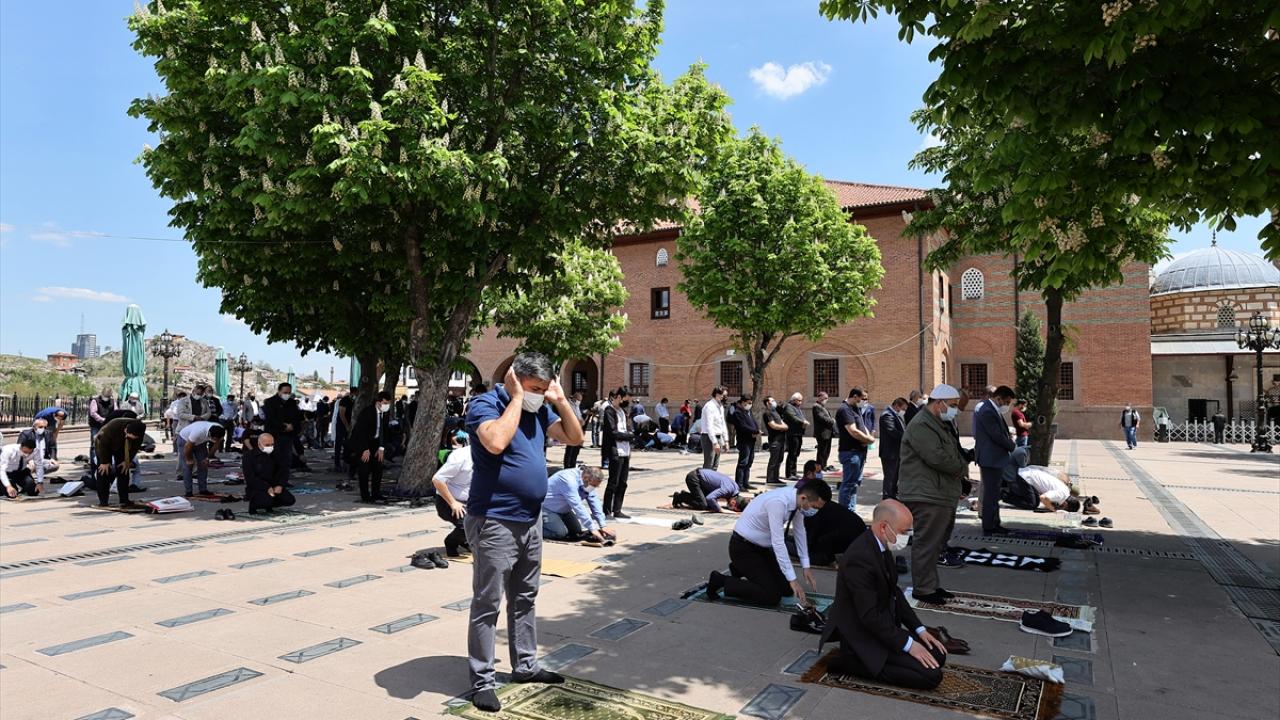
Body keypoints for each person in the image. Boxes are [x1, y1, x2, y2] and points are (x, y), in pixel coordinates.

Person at [463, 352, 583, 713]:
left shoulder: (539, 408)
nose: (538, 395)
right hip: (495, 519)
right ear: (515, 379)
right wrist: (516, 398)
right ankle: (482, 680)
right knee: (488, 602)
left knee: (526, 597)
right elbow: (496, 442)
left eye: (543, 389)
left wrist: (559, 401)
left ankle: (526, 667)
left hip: (530, 520)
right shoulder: (486, 403)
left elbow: (574, 438)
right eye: (534, 388)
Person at [819, 500, 949, 690]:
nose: (907, 537)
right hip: (862, 634)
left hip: (881, 625)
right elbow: (869, 617)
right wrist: (909, 644)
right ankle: (850, 663)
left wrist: (919, 630)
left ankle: (890, 655)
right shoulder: (860, 558)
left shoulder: (880, 545)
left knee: (938, 654)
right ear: (883, 527)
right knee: (931, 677)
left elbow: (894, 592)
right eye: (904, 531)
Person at [705, 481, 829, 607]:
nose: (815, 511)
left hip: (762, 548)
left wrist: (805, 565)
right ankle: (720, 580)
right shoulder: (778, 502)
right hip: (743, 548)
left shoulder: (798, 501)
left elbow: (800, 532)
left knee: (786, 590)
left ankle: (739, 569)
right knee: (771, 596)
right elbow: (778, 543)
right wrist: (793, 580)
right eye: (815, 507)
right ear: (804, 498)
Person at [898, 384, 968, 604]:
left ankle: (930, 585)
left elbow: (949, 452)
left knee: (936, 543)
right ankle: (923, 589)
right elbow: (937, 458)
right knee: (927, 542)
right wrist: (961, 466)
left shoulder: (938, 423)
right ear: (939, 403)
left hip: (939, 492)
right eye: (954, 405)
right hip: (926, 494)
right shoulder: (921, 425)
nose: (956, 410)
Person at [974, 385, 1016, 536]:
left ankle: (995, 523)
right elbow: (996, 435)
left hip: (994, 458)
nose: (1007, 405)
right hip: (990, 459)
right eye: (1006, 402)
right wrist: (1012, 445)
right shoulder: (987, 410)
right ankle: (989, 526)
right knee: (991, 494)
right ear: (998, 398)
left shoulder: (992, 409)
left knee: (994, 493)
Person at [542, 465, 615, 543]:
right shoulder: (568, 480)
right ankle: (532, 529)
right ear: (586, 478)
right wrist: (592, 528)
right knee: (560, 533)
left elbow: (594, 500)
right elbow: (577, 505)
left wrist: (603, 525)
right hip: (547, 508)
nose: (593, 488)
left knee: (576, 531)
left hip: (563, 510)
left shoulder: (588, 482)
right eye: (594, 485)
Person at [433, 431, 475, 557]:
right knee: (466, 526)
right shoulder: (461, 457)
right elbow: (437, 480)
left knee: (487, 522)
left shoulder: (493, 456)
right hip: (449, 500)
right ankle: (451, 542)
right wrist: (453, 503)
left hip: (472, 499)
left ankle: (466, 540)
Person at [348, 390, 394, 503]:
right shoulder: (367, 412)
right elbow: (360, 432)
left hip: (375, 443)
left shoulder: (384, 413)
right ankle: (365, 495)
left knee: (378, 468)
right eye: (384, 403)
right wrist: (364, 449)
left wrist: (381, 448)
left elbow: (384, 431)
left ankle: (376, 493)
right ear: (378, 402)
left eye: (388, 403)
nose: (386, 405)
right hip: (362, 443)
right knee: (364, 469)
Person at [93, 419, 148, 508]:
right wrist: (104, 462)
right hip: (103, 445)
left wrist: (127, 460)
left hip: (122, 447)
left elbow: (134, 448)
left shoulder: (140, 431)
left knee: (124, 470)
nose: (127, 435)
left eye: (131, 437)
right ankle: (103, 501)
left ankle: (124, 500)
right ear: (126, 429)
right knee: (104, 471)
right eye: (127, 433)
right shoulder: (113, 426)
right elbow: (102, 443)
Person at [836, 387, 875, 510]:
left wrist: (867, 437)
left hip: (859, 451)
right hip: (850, 452)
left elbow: (862, 425)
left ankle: (851, 510)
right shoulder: (845, 410)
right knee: (848, 484)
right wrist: (868, 440)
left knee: (854, 483)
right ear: (854, 396)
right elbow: (853, 431)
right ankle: (844, 511)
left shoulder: (855, 408)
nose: (864, 401)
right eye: (862, 398)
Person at [601, 388, 634, 518]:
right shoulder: (609, 411)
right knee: (613, 482)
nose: (628, 402)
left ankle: (617, 509)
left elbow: (628, 428)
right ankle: (607, 510)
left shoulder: (623, 411)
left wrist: (630, 434)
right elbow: (612, 432)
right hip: (615, 450)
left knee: (623, 482)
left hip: (625, 451)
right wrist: (629, 436)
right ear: (619, 397)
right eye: (626, 399)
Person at [243, 432, 295, 514]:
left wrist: (280, 485)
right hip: (257, 487)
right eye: (267, 445)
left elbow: (284, 470)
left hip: (274, 485)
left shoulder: (276, 453)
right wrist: (266, 487)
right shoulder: (249, 456)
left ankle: (270, 505)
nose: (270, 447)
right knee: (266, 500)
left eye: (272, 444)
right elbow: (250, 478)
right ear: (259, 444)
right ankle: (255, 505)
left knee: (289, 500)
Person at [262, 382, 302, 483]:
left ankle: (283, 481)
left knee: (286, 460)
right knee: (274, 458)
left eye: (289, 392)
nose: (287, 395)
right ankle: (273, 481)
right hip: (274, 435)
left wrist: (293, 426)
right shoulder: (270, 402)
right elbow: (271, 419)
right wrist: (284, 426)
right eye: (285, 392)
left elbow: (297, 417)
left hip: (288, 436)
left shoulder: (292, 403)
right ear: (279, 391)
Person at [178, 420, 226, 498]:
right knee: (188, 466)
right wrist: (188, 459)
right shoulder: (198, 431)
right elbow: (187, 447)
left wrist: (207, 458)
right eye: (214, 439)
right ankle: (188, 491)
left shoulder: (220, 431)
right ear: (210, 435)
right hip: (185, 440)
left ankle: (203, 489)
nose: (216, 440)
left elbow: (215, 446)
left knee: (203, 465)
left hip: (200, 442)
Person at [675, 467, 746, 513]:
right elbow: (710, 498)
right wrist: (720, 510)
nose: (730, 507)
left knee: (710, 505)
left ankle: (687, 495)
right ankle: (680, 497)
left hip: (701, 479)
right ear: (733, 502)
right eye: (733, 508)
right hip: (694, 478)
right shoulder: (728, 490)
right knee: (703, 505)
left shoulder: (735, 488)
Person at [728, 395, 760, 492]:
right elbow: (742, 426)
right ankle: (739, 484)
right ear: (742, 402)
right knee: (743, 462)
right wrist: (753, 431)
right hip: (744, 440)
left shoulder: (748, 412)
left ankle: (746, 482)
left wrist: (756, 430)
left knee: (749, 462)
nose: (749, 405)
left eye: (750, 403)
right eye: (748, 402)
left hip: (751, 440)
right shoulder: (738, 413)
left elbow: (754, 423)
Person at [878, 398, 909, 499]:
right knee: (890, 476)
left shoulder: (894, 414)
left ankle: (892, 495)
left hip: (896, 452)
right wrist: (907, 437)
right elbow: (892, 432)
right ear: (897, 406)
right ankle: (888, 497)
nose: (903, 412)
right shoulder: (887, 415)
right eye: (903, 409)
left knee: (894, 476)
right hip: (890, 452)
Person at [17, 418, 60, 487]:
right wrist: (29, 460)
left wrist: (53, 458)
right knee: (29, 468)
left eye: (45, 427)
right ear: (34, 427)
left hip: (42, 459)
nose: (43, 429)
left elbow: (53, 447)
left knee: (55, 465)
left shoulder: (48, 434)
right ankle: (27, 482)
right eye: (40, 427)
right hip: (29, 460)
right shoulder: (25, 434)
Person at [780, 392, 809, 480]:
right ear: (794, 400)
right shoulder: (789, 407)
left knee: (796, 453)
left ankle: (794, 472)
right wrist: (803, 422)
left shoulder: (797, 408)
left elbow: (801, 417)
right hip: (792, 433)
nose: (800, 402)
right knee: (792, 453)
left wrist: (804, 421)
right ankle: (789, 473)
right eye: (799, 401)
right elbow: (793, 417)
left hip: (798, 433)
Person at [701, 386, 729, 471]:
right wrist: (714, 442)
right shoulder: (709, 406)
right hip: (709, 437)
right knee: (709, 463)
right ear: (717, 394)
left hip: (718, 436)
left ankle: (712, 482)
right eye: (724, 395)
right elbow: (709, 426)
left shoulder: (720, 406)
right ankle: (705, 483)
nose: (725, 397)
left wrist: (726, 440)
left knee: (715, 464)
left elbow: (722, 423)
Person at [87, 385, 117, 466]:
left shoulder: (112, 401)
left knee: (109, 443)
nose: (106, 398)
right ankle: (94, 462)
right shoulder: (95, 401)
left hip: (108, 426)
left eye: (108, 396)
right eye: (105, 396)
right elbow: (93, 413)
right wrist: (102, 420)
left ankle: (107, 462)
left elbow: (116, 411)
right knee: (95, 443)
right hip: (96, 426)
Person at [761, 396, 788, 485]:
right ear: (768, 403)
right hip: (774, 440)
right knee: (774, 460)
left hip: (781, 439)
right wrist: (784, 427)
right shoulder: (767, 413)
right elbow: (773, 425)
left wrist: (785, 426)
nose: (774, 402)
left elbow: (780, 421)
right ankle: (770, 479)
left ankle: (776, 478)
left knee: (779, 459)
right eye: (772, 401)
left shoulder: (775, 412)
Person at [812, 392, 836, 472]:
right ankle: (820, 466)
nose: (826, 400)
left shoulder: (823, 407)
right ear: (819, 398)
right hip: (822, 433)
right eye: (824, 398)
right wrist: (832, 421)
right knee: (822, 451)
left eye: (827, 398)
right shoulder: (816, 407)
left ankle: (824, 465)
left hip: (827, 433)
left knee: (826, 450)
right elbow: (821, 418)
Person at [562, 389, 585, 469]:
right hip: (571, 429)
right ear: (574, 398)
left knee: (576, 449)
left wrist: (582, 420)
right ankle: (567, 465)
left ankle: (572, 464)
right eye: (578, 400)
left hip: (578, 429)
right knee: (570, 448)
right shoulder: (569, 405)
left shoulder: (577, 406)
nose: (579, 402)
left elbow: (579, 415)